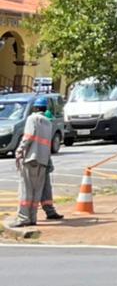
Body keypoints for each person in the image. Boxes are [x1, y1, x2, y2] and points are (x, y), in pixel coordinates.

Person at [11, 96, 62, 227]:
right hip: (43, 161)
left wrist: (19, 151)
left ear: (35, 108)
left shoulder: (32, 118)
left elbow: (28, 136)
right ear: (45, 109)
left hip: (31, 159)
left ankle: (23, 218)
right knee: (37, 191)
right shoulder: (48, 122)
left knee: (25, 189)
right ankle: (32, 218)